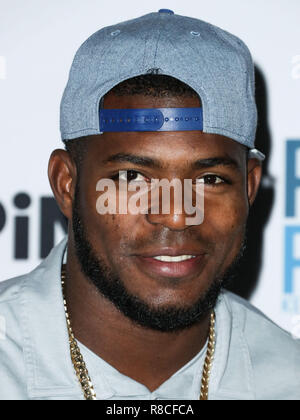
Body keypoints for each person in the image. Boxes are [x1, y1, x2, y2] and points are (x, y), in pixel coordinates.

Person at [0, 9, 299, 401]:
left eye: (209, 180)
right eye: (132, 178)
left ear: (249, 187)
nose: (175, 214)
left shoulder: (287, 378)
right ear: (67, 184)